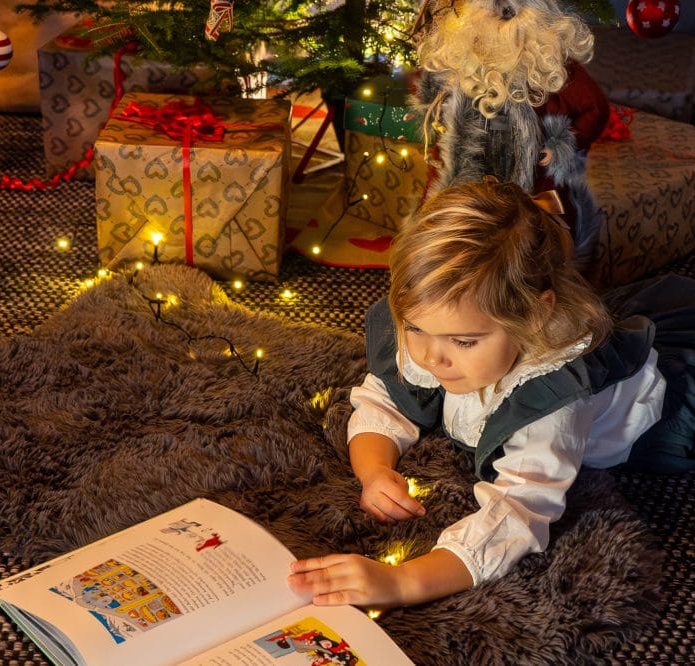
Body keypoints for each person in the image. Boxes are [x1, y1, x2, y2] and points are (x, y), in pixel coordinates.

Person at [287, 179, 695, 610]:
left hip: (670, 412)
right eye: (415, 328)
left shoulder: (552, 398)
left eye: (463, 341)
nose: (430, 357)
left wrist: (402, 582)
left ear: (536, 316)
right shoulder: (443, 339)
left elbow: (518, 510)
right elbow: (384, 397)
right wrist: (374, 469)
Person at [411, 0, 610, 268]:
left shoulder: (555, 66)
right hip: (471, 195)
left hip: (534, 197)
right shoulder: (463, 67)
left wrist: (563, 142)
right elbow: (447, 148)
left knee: (532, 256)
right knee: (463, 253)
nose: (505, 15)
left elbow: (594, 109)